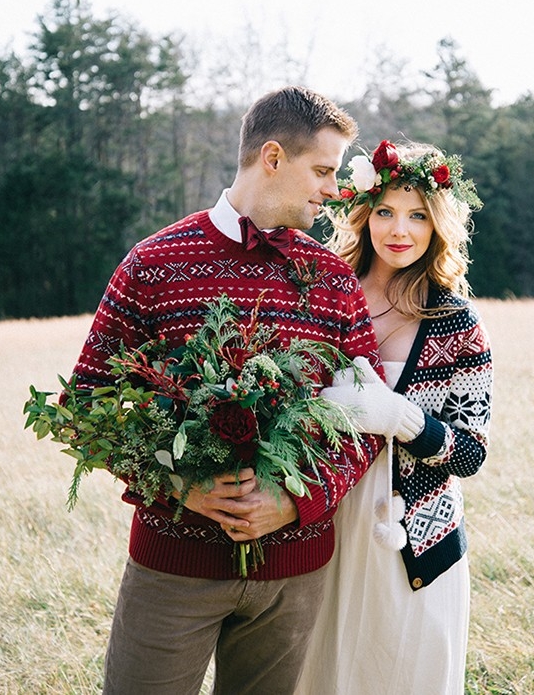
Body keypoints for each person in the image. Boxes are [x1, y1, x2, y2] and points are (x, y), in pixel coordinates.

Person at [69, 86, 383, 695]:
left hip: (295, 576)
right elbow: (85, 405)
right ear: (272, 158)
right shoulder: (153, 263)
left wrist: (296, 503)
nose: (333, 190)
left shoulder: (334, 279)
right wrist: (180, 486)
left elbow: (368, 420)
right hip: (172, 568)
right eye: (322, 171)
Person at [295, 139, 493, 695]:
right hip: (326, 513)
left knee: (404, 669)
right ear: (363, 214)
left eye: (417, 216)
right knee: (321, 669)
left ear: (437, 226)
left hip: (415, 531)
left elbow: (471, 452)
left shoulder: (457, 324)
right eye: (385, 212)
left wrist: (402, 419)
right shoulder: (330, 296)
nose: (398, 230)